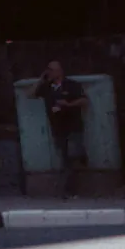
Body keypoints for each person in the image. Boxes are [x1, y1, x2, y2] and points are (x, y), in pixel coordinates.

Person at [33, 61, 89, 198]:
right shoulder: (47, 87)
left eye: (52, 70)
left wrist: (68, 104)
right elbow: (30, 94)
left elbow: (85, 101)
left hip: (73, 126)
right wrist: (41, 79)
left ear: (60, 71)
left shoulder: (72, 85)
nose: (50, 73)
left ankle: (70, 189)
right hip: (58, 128)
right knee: (65, 159)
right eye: (48, 70)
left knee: (72, 156)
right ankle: (69, 189)